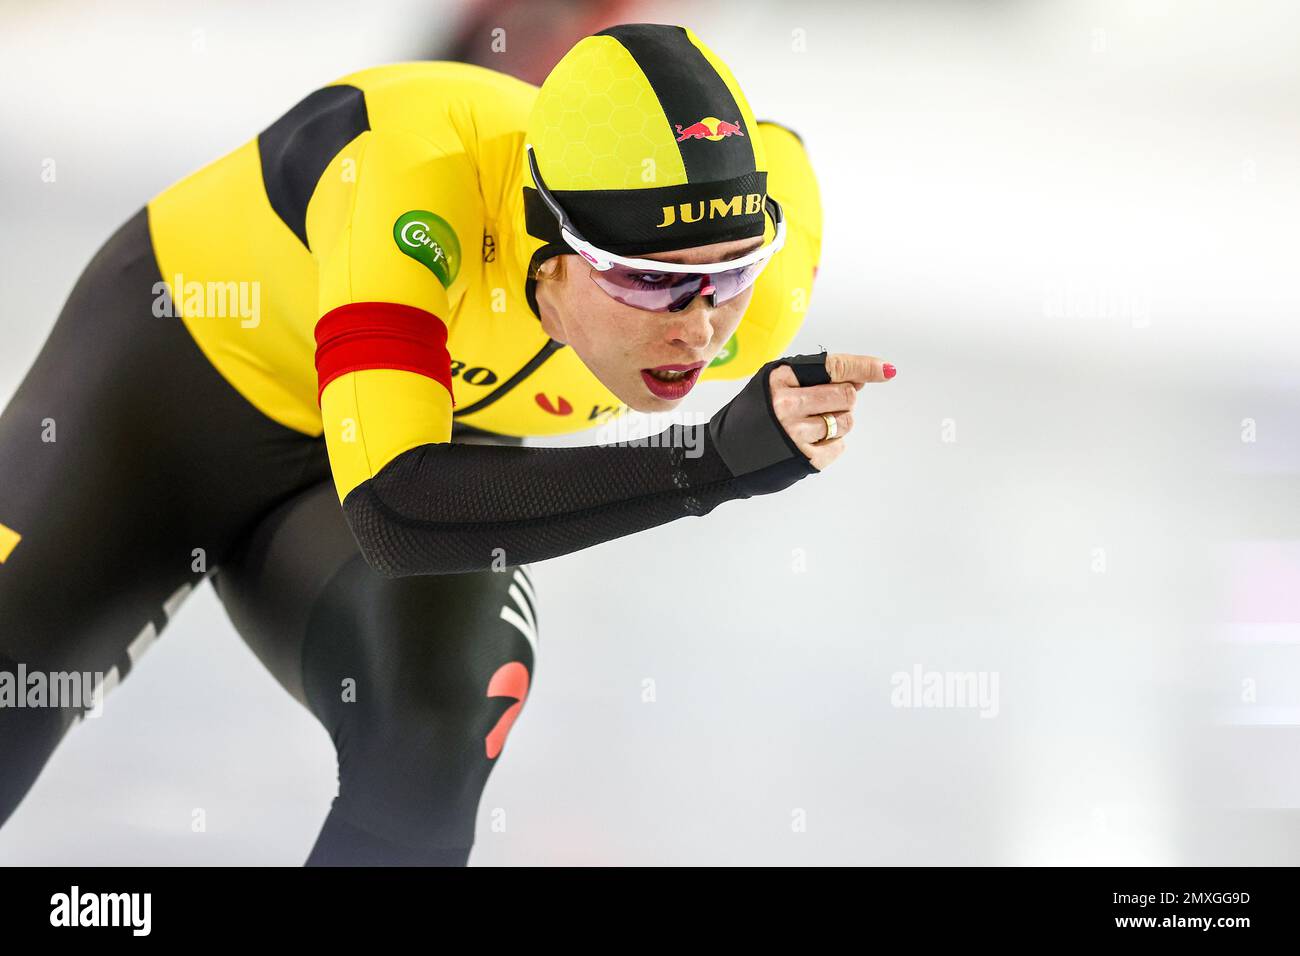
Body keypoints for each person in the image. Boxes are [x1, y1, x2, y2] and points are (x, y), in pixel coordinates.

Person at [0, 22, 892, 865]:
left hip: (397, 453)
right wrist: (706, 464)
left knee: (450, 709)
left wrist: (717, 295)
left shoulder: (755, 295)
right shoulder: (409, 178)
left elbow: (777, 166)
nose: (701, 331)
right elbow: (397, 509)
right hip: (167, 408)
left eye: (727, 275)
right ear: (550, 239)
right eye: (652, 285)